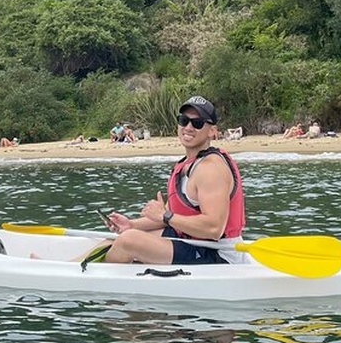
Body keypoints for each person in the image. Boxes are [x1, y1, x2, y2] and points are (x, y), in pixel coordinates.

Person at [102, 95, 245, 265]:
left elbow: (214, 228)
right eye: (184, 120)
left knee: (128, 242)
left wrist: (165, 215)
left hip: (218, 253)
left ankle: (93, 285)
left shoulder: (211, 168)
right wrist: (131, 224)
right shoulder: (187, 164)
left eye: (197, 123)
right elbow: (175, 214)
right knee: (115, 240)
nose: (188, 127)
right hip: (192, 241)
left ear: (212, 131)